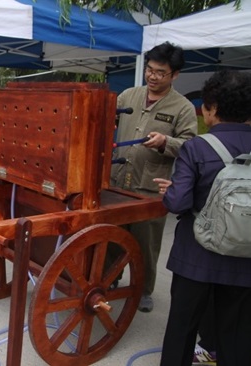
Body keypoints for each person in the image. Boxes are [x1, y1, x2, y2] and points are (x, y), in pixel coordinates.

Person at [155, 69, 251, 366]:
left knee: (182, 327)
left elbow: (178, 202)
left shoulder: (197, 147)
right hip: (246, 254)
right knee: (236, 331)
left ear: (212, 110)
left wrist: (170, 192)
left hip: (197, 254)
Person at [110, 41, 197, 312]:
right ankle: (111, 280)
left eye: (160, 72)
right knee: (112, 235)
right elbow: (106, 119)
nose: (153, 76)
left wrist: (165, 141)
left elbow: (190, 145)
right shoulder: (128, 95)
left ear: (175, 75)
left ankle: (143, 290)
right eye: (150, 70)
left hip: (150, 186)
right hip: (117, 180)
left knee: (145, 242)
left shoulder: (182, 108)